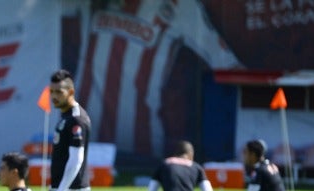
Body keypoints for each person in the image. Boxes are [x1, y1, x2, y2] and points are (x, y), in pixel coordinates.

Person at [64, 0, 241, 158]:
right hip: (87, 137)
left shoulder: (181, 6)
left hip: (143, 145)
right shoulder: (87, 3)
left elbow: (224, 58)